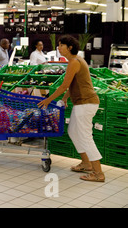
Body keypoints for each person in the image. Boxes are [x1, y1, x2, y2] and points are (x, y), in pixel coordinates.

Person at [38, 35, 104, 182]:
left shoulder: (74, 62)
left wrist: (48, 100)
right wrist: (65, 98)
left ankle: (98, 173)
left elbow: (64, 85)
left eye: (61, 45)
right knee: (73, 131)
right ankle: (86, 163)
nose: (59, 47)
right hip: (82, 103)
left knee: (86, 137)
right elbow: (73, 85)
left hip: (86, 103)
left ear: (70, 48)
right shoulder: (76, 61)